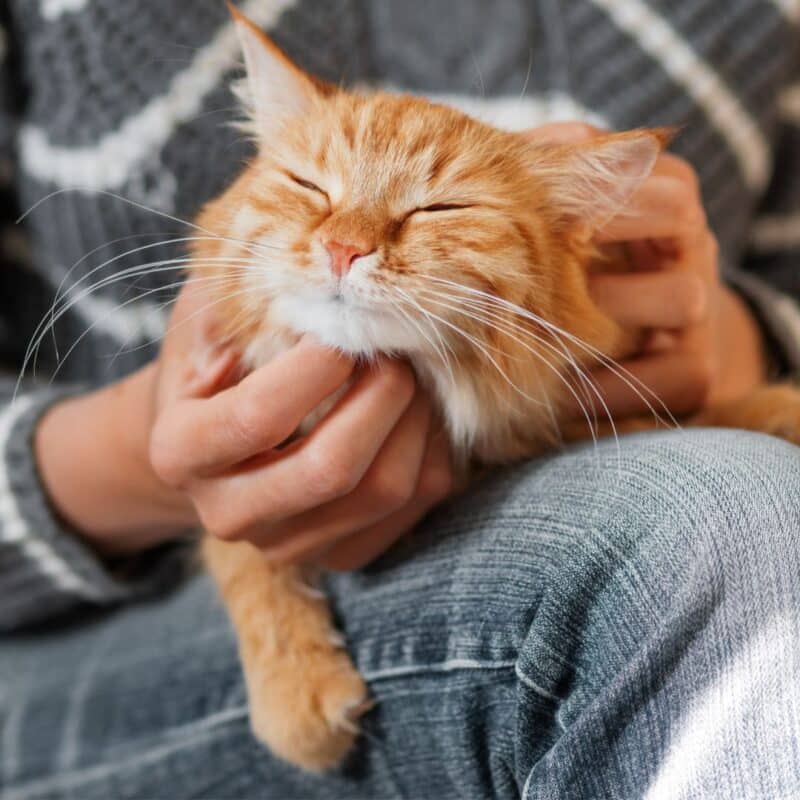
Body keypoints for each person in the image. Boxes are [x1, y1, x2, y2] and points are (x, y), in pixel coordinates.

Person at [1, 0, 799, 797]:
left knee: (741, 515)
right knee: (722, 514)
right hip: (77, 636)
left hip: (608, 494)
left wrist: (724, 336)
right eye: (306, 187)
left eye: (439, 210)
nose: (348, 241)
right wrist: (146, 460)